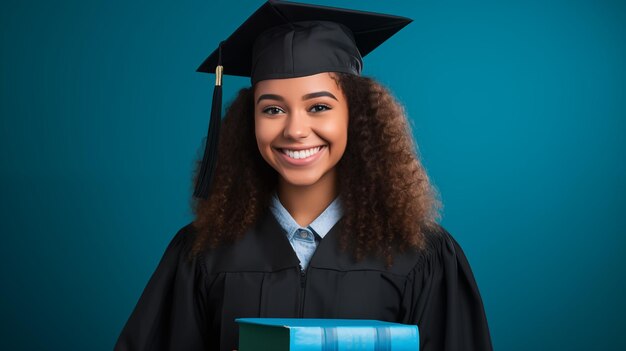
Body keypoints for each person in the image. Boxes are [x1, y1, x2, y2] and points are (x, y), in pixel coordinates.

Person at [115, 1, 493, 350]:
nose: (295, 130)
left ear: (356, 116)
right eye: (273, 110)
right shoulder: (202, 253)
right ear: (250, 121)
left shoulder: (421, 255)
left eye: (318, 106)